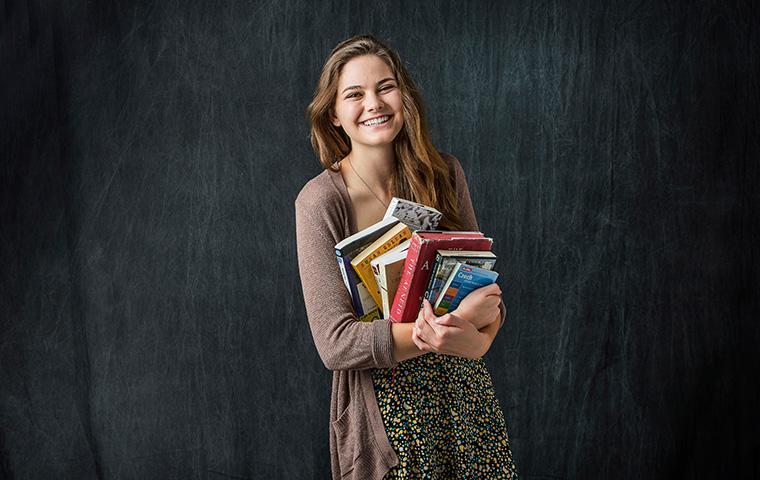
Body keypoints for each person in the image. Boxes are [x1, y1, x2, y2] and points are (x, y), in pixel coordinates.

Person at [295, 35, 518, 480]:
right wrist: (431, 336)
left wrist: (481, 340)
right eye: (354, 94)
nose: (374, 103)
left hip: (463, 398)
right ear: (333, 114)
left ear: (405, 97)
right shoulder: (319, 202)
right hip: (385, 414)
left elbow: (485, 291)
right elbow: (335, 343)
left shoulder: (444, 174)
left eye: (386, 87)